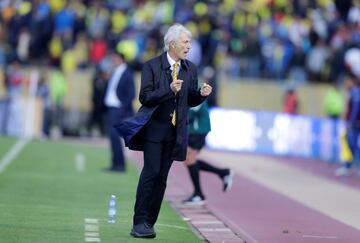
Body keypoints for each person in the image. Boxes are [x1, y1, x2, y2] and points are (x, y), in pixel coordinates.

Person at [115, 23, 212, 238]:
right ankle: (138, 222)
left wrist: (202, 95)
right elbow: (145, 97)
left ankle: (149, 223)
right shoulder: (151, 66)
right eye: (186, 42)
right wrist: (167, 90)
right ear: (172, 44)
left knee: (162, 178)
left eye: (190, 42)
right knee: (150, 173)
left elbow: (189, 100)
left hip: (175, 133)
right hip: (154, 130)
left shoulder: (190, 69)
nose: (189, 46)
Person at [183, 100, 234, 205]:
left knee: (189, 159)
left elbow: (190, 113)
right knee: (189, 160)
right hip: (194, 131)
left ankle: (199, 195)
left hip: (198, 131)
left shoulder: (194, 89)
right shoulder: (189, 88)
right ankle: (223, 172)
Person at [103, 51, 135, 172]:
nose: (112, 61)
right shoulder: (115, 72)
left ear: (121, 59)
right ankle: (115, 164)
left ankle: (120, 165)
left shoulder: (127, 73)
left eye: (114, 59)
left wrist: (123, 107)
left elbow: (131, 94)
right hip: (111, 108)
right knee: (112, 137)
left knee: (115, 136)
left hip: (118, 109)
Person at [335, 72, 360, 176]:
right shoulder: (352, 92)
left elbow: (356, 108)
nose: (345, 83)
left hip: (355, 123)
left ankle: (349, 166)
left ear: (352, 81)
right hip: (354, 122)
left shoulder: (355, 92)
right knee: (350, 144)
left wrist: (352, 121)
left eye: (347, 81)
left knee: (352, 144)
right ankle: (348, 166)